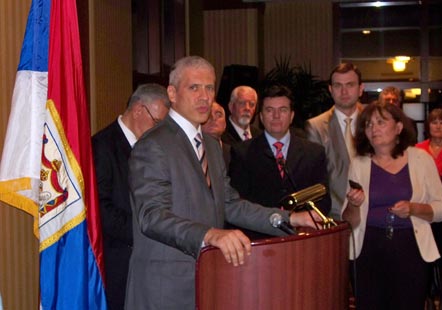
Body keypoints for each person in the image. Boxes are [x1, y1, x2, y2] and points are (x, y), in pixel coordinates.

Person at [125, 56, 322, 310]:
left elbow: (230, 204)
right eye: (194, 88)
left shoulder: (210, 145)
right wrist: (209, 235)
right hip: (165, 290)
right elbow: (152, 217)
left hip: (210, 281)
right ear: (172, 93)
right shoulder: (154, 145)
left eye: (209, 88)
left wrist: (289, 219)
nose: (204, 96)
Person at [342, 102, 442, 310]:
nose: (373, 129)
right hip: (368, 249)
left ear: (399, 127)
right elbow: (349, 220)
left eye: (380, 122)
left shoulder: (421, 159)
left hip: (410, 248)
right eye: (368, 125)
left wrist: (413, 208)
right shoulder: (359, 164)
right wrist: (355, 205)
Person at [92, 83, 170, 310]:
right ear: (138, 110)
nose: (159, 130)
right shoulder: (101, 146)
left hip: (149, 260)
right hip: (118, 261)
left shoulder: (154, 149)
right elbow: (100, 207)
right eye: (157, 123)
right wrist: (142, 231)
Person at [229, 84, 331, 239]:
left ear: (291, 116)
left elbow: (323, 200)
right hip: (260, 240)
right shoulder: (242, 153)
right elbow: (239, 204)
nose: (276, 116)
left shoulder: (314, 152)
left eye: (282, 110)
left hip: (304, 238)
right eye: (270, 110)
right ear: (261, 117)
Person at [306, 62, 365, 220]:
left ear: (361, 89)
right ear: (330, 90)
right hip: (335, 214)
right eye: (338, 85)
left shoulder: (374, 120)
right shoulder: (316, 126)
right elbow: (316, 177)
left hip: (373, 211)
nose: (344, 91)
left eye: (350, 85)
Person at [416, 108, 442, 310]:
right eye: (434, 122)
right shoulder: (418, 149)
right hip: (424, 211)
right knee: (425, 256)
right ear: (428, 126)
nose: (438, 126)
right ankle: (427, 300)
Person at [201, 101, 231, 167]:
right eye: (208, 115)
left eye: (218, 115)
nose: (213, 118)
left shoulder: (233, 153)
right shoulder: (190, 151)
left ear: (225, 124)